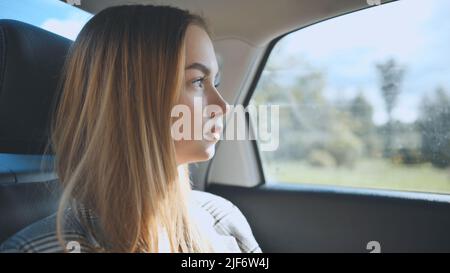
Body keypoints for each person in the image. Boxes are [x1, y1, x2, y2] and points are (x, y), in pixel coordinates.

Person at [0, 5, 261, 253]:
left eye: (215, 81)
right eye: (198, 81)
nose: (223, 106)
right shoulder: (37, 248)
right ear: (132, 98)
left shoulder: (222, 218)